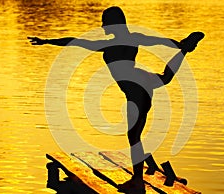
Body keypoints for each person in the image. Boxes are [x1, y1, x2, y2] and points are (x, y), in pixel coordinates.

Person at [28, 6, 204, 193]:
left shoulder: (109, 45)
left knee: (133, 137)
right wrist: (178, 44)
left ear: (114, 23)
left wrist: (47, 41)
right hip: (141, 80)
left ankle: (137, 180)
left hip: (135, 90)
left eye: (105, 23)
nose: (103, 26)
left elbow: (76, 42)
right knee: (163, 80)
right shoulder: (134, 38)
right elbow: (156, 41)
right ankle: (184, 50)